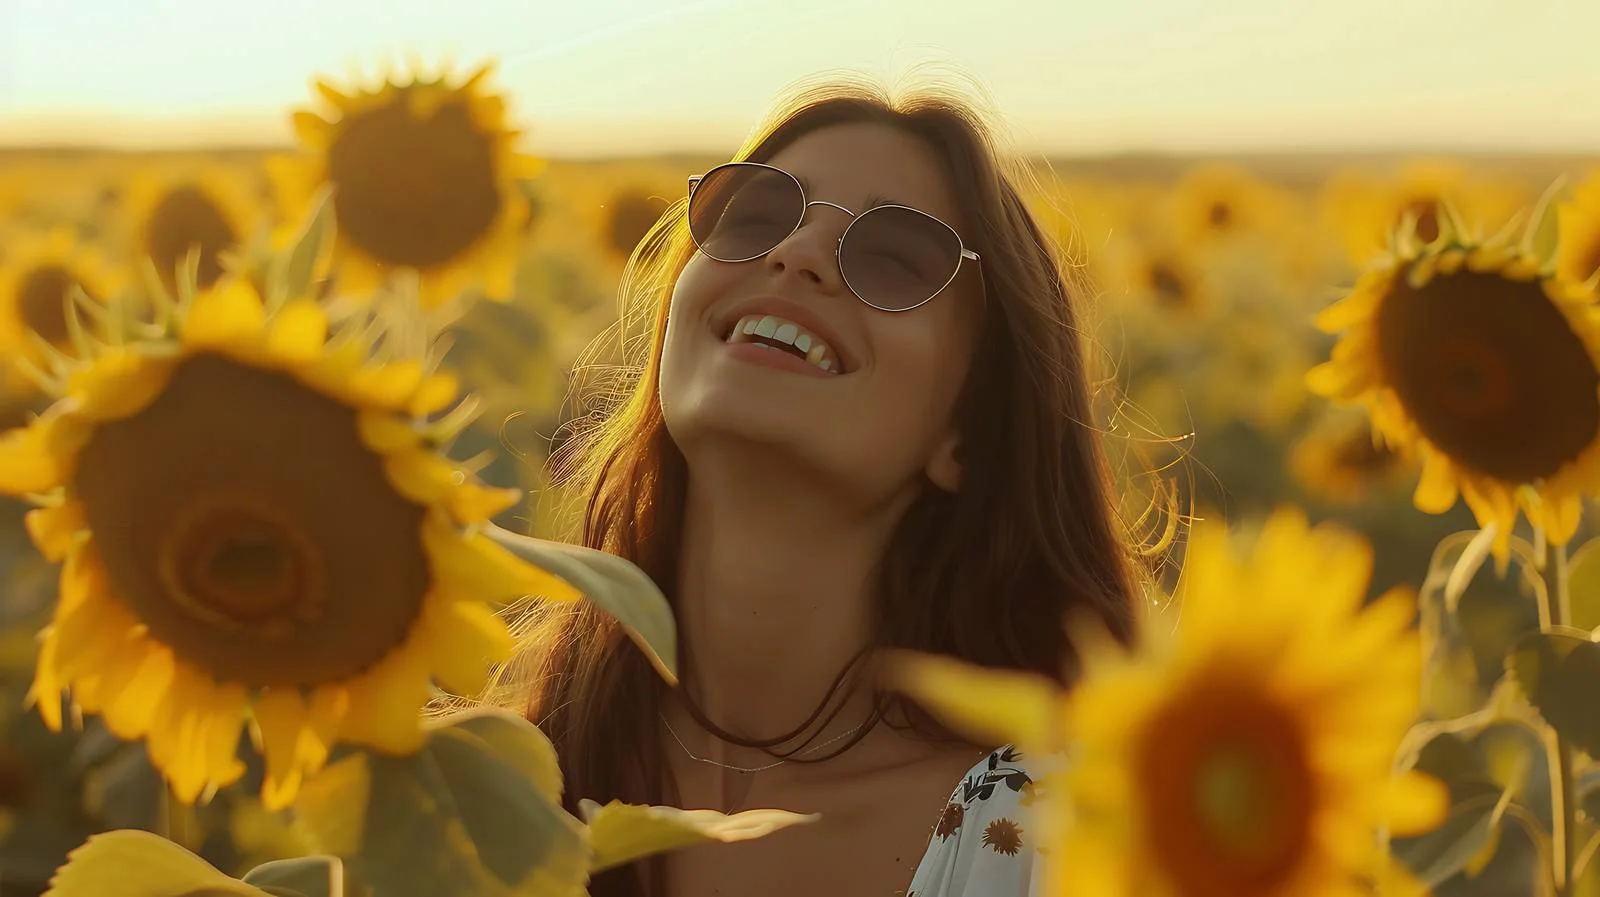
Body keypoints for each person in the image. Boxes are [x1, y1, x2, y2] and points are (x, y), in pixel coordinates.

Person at [505, 70, 1156, 897]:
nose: (797, 252)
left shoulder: (1051, 840)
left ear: (968, 429)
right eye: (755, 215)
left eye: (893, 258)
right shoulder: (481, 788)